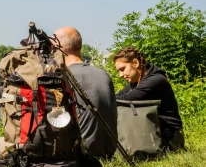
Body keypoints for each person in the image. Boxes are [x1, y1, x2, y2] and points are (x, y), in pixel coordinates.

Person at [53, 27, 118, 159]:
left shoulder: (62, 77)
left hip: (80, 155)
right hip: (108, 151)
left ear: (58, 46)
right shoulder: (102, 74)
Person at [113, 47, 184, 150]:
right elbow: (116, 97)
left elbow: (124, 99)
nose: (120, 75)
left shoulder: (156, 80)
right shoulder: (136, 83)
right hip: (155, 131)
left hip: (171, 138)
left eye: (122, 69)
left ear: (135, 63)